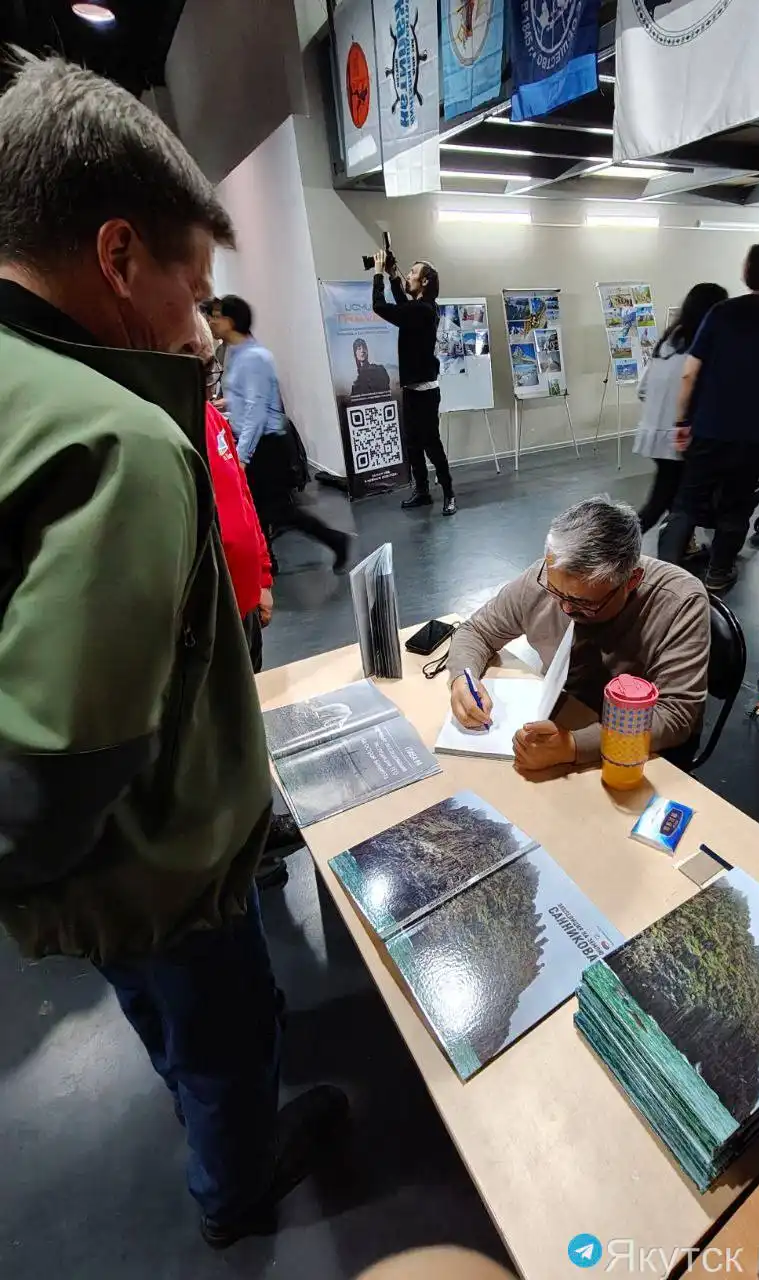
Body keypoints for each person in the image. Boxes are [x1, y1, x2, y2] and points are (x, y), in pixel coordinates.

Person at [0, 55, 346, 1249]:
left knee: (163, 1020)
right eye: (194, 291)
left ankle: (205, 1121)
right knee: (230, 1034)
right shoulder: (118, 439)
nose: (201, 326)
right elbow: (46, 784)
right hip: (164, 874)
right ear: (116, 257)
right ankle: (235, 1192)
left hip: (86, 899)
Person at [448, 497, 710, 771]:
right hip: (562, 714)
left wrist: (574, 746)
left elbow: (675, 716)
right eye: (555, 590)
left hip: (636, 753)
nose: (564, 606)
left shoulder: (679, 601)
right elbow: (476, 631)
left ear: (631, 581)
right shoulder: (547, 576)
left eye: (584, 602)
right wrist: (462, 679)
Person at [185, 311, 301, 888]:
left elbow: (243, 507)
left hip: (241, 601)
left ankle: (258, 818)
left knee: (247, 717)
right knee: (220, 733)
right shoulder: (171, 425)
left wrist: (261, 576)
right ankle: (242, 849)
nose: (211, 376)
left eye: (211, 365)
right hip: (208, 612)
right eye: (201, 363)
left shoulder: (210, 418)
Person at [658, 240, 759, 593]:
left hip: (709, 427)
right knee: (736, 505)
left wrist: (682, 422)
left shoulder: (721, 313)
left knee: (687, 503)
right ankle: (718, 572)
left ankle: (664, 577)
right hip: (752, 433)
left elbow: (690, 373)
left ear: (746, 271)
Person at [210, 294, 351, 571]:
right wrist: (227, 403)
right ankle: (270, 561)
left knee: (278, 510)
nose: (212, 322)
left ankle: (334, 541)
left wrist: (241, 456)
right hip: (256, 442)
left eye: (216, 316)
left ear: (231, 320)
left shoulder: (254, 358)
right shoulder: (236, 354)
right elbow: (247, 397)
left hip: (267, 445)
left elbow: (257, 411)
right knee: (263, 508)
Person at [634, 282, 729, 536]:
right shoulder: (705, 347)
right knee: (669, 504)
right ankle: (612, 550)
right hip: (681, 437)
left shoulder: (668, 341)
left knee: (667, 498)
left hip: (654, 433)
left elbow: (642, 389)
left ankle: (680, 546)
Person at [371, 248, 456, 516]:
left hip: (426, 392)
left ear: (425, 282)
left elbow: (381, 306)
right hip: (411, 389)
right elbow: (402, 299)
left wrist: (378, 274)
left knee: (432, 444)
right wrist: (393, 274)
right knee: (412, 444)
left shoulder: (424, 310)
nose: (408, 276)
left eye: (413, 273)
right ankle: (422, 492)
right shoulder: (417, 307)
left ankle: (449, 494)